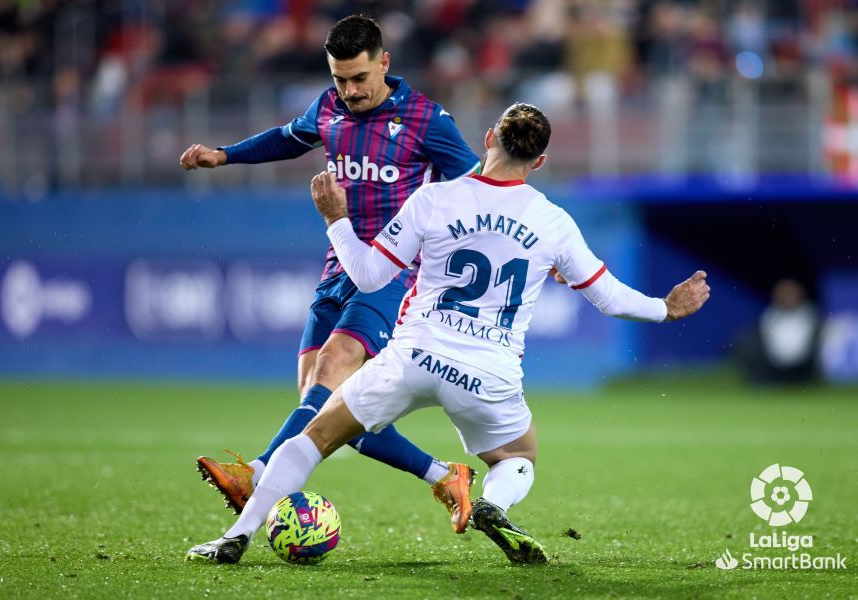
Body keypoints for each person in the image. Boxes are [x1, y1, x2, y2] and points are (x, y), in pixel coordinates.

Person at [186, 103, 710, 565]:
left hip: (414, 355)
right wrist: (666, 308)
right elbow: (610, 298)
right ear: (540, 162)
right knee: (517, 459)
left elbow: (369, 276)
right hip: (488, 373)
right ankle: (493, 505)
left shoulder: (434, 198)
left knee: (314, 438)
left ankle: (235, 535)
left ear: (488, 138)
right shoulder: (553, 223)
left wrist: (336, 221)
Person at [178, 15, 482, 532]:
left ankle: (254, 472)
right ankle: (444, 474)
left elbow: (477, 189)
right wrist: (224, 155)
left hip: (394, 273)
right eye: (339, 79)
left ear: (384, 63)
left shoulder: (428, 121)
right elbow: (286, 138)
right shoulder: (327, 108)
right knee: (326, 412)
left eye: (359, 78)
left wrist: (539, 253)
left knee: (333, 369)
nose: (349, 90)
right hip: (337, 266)